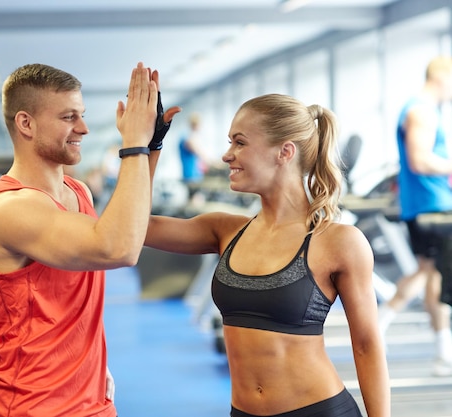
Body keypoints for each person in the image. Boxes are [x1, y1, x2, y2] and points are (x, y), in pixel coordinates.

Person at [145, 93, 390, 417]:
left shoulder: (339, 242)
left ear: (284, 152)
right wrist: (148, 147)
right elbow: (136, 227)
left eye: (240, 143)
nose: (227, 155)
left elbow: (367, 346)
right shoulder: (224, 229)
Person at [0, 62, 180, 416]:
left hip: (92, 399)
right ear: (26, 124)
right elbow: (118, 249)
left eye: (80, 115)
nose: (82, 128)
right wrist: (133, 146)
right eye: (69, 117)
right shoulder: (9, 209)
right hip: (32, 407)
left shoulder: (76, 190)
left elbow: (128, 228)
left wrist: (151, 144)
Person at [377, 56, 452, 377]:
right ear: (442, 78)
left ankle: (380, 326)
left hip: (426, 204)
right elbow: (420, 161)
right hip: (432, 206)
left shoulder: (421, 108)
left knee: (428, 273)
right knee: (435, 276)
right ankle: (442, 353)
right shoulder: (421, 110)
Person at [178, 112, 213, 205]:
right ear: (196, 125)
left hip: (193, 174)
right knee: (196, 199)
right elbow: (200, 153)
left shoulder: (188, 137)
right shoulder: (188, 139)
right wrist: (214, 163)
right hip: (192, 175)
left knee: (192, 198)